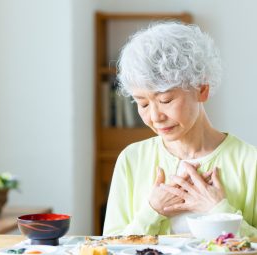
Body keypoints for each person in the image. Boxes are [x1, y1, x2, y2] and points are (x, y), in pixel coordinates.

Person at [103, 22, 257, 237]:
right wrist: (152, 211)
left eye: (165, 100)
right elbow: (110, 248)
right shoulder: (132, 159)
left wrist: (218, 211)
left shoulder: (250, 162)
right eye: (143, 103)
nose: (155, 117)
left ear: (201, 90)